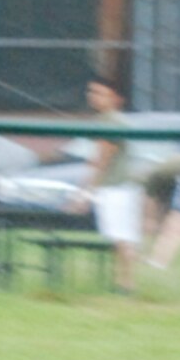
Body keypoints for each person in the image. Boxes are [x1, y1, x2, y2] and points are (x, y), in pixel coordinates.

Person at [69, 75, 142, 293]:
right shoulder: (111, 120)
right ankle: (123, 281)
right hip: (123, 187)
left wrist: (85, 194)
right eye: (91, 92)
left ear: (115, 98)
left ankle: (125, 283)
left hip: (115, 188)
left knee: (120, 237)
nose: (93, 97)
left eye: (100, 93)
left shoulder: (110, 122)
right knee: (122, 237)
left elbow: (103, 160)